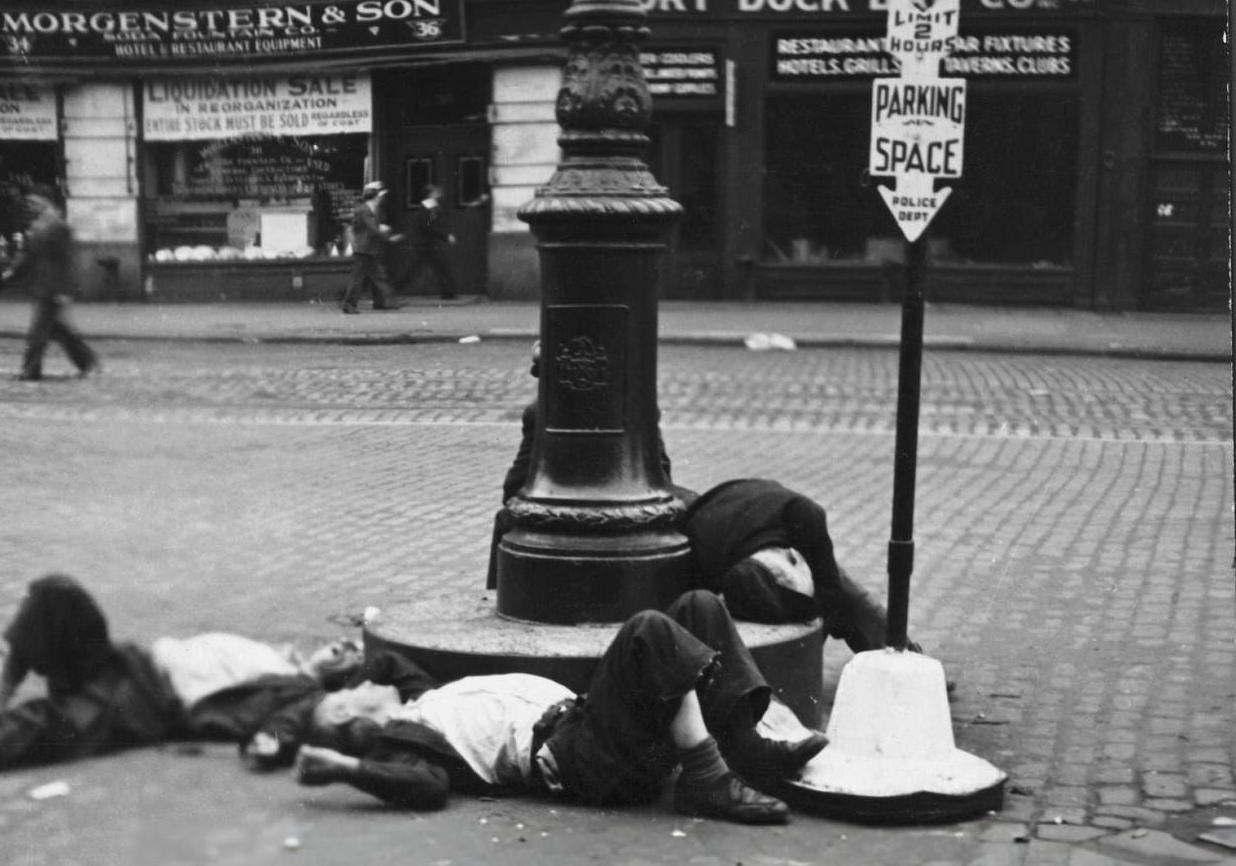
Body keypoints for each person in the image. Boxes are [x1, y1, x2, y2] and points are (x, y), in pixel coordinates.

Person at [0, 575, 424, 800]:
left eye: (350, 672)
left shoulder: (298, 700)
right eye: (342, 646)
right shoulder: (280, 659)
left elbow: (281, 733)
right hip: (126, 662)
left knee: (37, 730)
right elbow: (385, 664)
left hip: (140, 704)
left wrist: (417, 704)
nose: (342, 651)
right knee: (56, 595)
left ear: (342, 700)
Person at [293, 590, 829, 825]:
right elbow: (424, 790)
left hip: (590, 725)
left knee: (698, 606)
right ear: (349, 717)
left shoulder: (418, 698)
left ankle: (746, 751)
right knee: (648, 631)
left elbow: (383, 664)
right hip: (583, 760)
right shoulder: (411, 742)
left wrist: (321, 684)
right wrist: (346, 768)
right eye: (345, 693)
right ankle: (707, 779)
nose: (358, 681)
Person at [486, 341, 694, 587]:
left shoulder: (540, 411)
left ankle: (502, 593)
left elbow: (514, 484)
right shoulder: (641, 407)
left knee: (507, 519)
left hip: (562, 519)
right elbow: (661, 472)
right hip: (637, 517)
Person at [681, 476, 915, 655]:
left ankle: (903, 654)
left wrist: (808, 648)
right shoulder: (707, 554)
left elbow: (831, 592)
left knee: (844, 590)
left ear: (793, 555)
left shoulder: (804, 516)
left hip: (761, 505)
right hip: (723, 521)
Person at [3, 184, 98, 382]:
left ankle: (31, 370)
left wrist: (64, 290)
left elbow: (65, 260)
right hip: (40, 285)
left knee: (38, 331)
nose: (29, 205)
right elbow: (29, 254)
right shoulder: (37, 225)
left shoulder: (58, 226)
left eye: (33, 201)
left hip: (53, 287)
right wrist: (12, 271)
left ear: (45, 202)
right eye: (28, 202)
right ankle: (87, 360)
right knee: (57, 330)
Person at [340, 182, 401, 314]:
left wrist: (383, 230)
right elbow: (372, 228)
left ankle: (386, 300)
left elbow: (373, 226)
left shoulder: (370, 209)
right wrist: (388, 236)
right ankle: (349, 304)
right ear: (374, 197)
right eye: (379, 196)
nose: (381, 199)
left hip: (370, 248)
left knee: (378, 275)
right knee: (359, 278)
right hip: (363, 249)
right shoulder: (364, 210)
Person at [403, 185, 460, 302]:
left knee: (437, 267)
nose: (439, 194)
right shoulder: (430, 208)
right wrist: (446, 236)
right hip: (427, 244)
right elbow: (430, 225)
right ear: (430, 194)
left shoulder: (430, 207)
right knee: (435, 267)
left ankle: (448, 293)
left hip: (427, 243)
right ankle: (448, 293)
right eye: (436, 192)